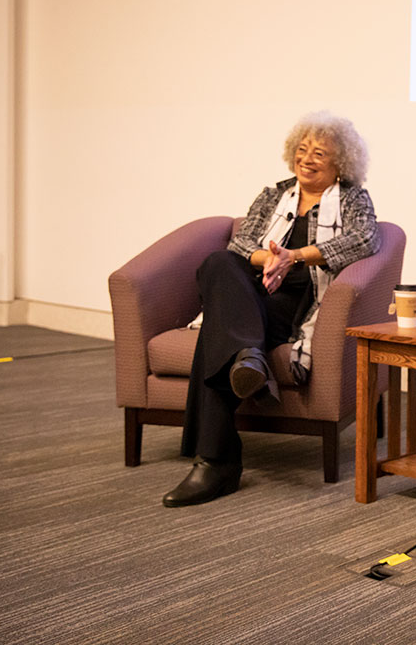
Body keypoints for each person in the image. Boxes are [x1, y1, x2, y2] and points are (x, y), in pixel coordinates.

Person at [162, 111, 381, 507]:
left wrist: (294, 257)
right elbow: (242, 245)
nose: (307, 158)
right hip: (252, 294)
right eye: (302, 149)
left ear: (340, 164)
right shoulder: (272, 195)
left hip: (298, 303)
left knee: (219, 333)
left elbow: (365, 240)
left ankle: (216, 460)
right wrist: (270, 260)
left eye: (320, 153)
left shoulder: (352, 199)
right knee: (218, 263)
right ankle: (249, 358)